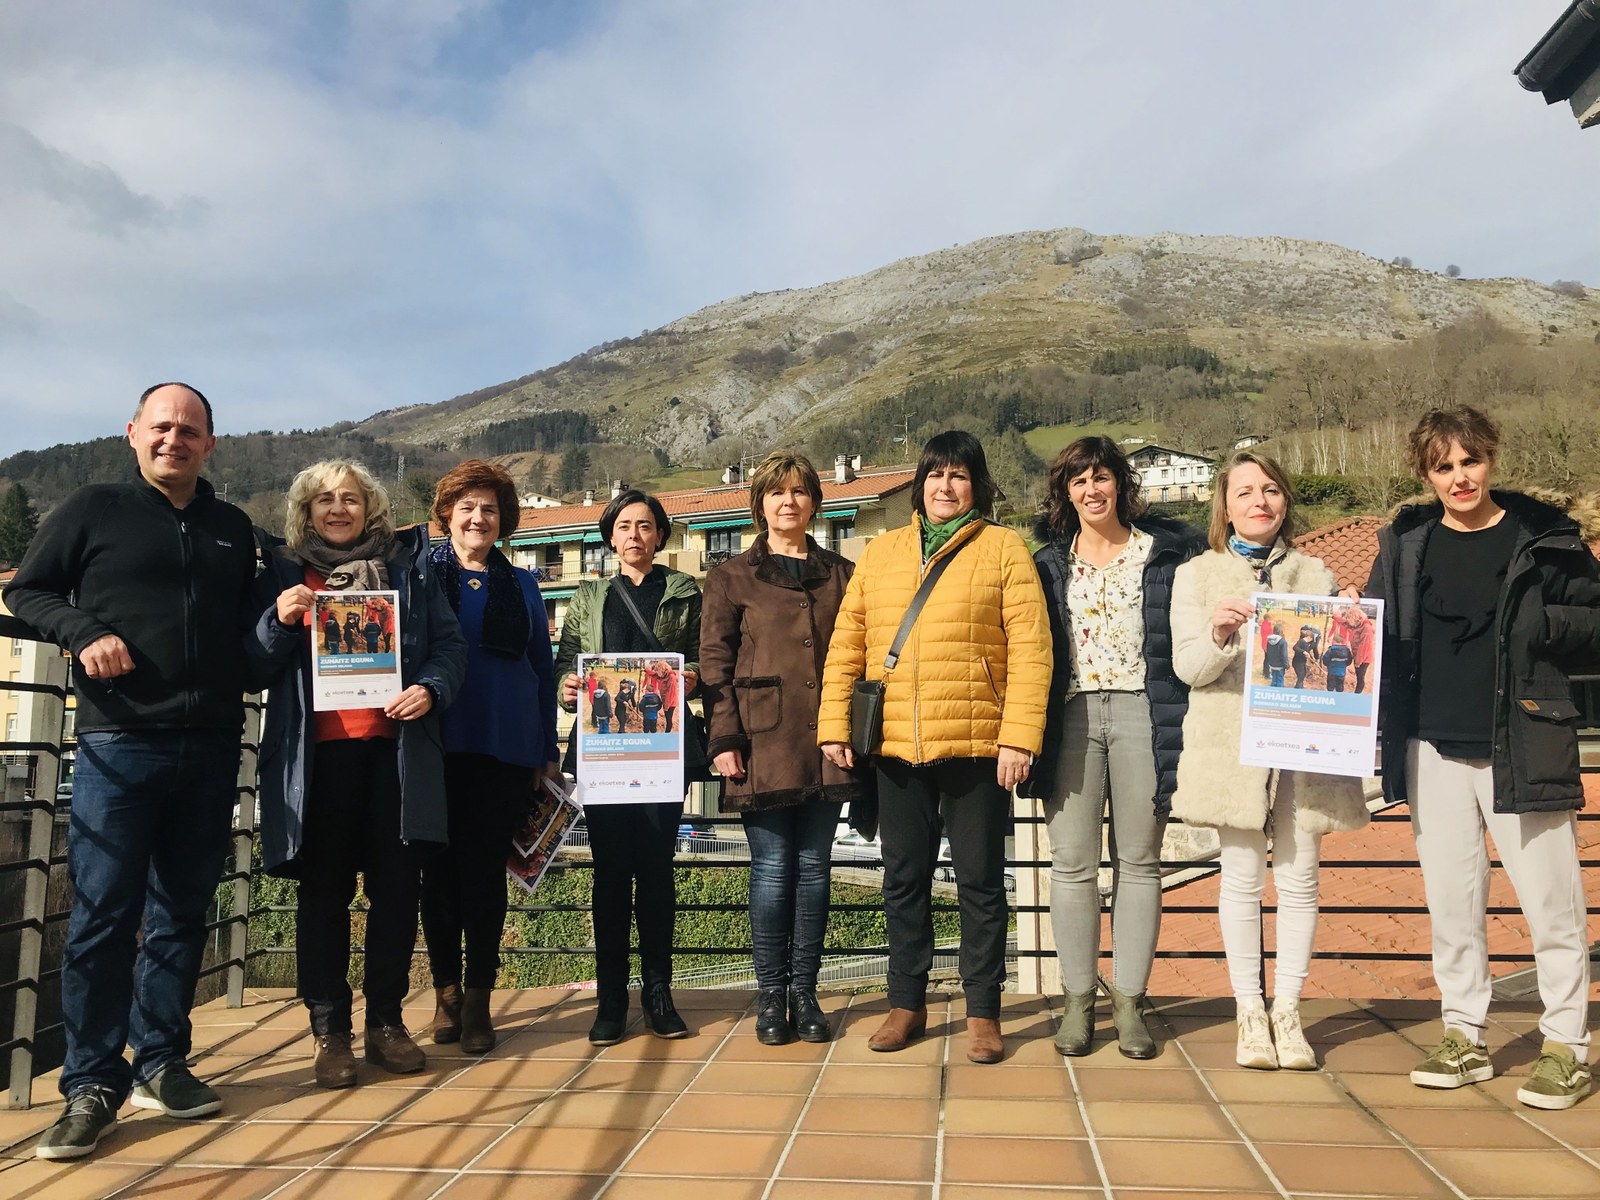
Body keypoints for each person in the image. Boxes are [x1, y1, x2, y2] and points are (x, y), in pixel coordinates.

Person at [7, 383, 258, 1162]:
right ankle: (89, 1083)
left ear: (210, 444)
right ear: (132, 434)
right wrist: (83, 634)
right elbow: (28, 592)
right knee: (102, 920)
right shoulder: (94, 509)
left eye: (189, 430)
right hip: (120, 743)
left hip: (213, 743)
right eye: (161, 427)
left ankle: (161, 1061)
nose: (173, 440)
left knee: (182, 912)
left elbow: (250, 632)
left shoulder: (230, 528)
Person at [1367, 406, 1596, 1110]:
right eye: (1443, 466)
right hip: (1429, 749)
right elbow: (1375, 633)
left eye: (1470, 460)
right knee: (1453, 907)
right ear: (1425, 473)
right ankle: (1463, 1033)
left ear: (1490, 458)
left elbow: (1596, 625)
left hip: (1522, 741)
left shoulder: (1546, 540)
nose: (1459, 476)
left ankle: (1566, 1046)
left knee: (1551, 905)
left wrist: (1540, 624)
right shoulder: (1406, 546)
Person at [819, 431, 1051, 1065]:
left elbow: (1032, 651)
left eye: (960, 476)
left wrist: (1019, 737)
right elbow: (849, 642)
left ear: (977, 487)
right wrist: (834, 726)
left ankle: (983, 1011)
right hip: (896, 744)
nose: (946, 486)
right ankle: (907, 1003)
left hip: (978, 745)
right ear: (920, 483)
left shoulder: (1004, 549)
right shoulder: (881, 552)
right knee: (903, 880)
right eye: (936, 475)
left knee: (979, 881)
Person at [251, 459, 465, 1089]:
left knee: (397, 893)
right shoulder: (282, 574)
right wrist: (278, 621)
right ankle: (329, 1031)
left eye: (350, 498)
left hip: (395, 757)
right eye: (324, 501)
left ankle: (386, 1023)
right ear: (305, 512)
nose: (338, 509)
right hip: (316, 763)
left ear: (370, 507)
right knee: (323, 896)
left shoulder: (409, 572)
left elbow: (452, 650)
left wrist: (430, 687)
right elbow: (253, 662)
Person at [1169, 451, 1368, 1072]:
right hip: (1232, 753)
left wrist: (1354, 624)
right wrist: (1222, 635)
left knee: (1302, 877)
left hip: (1301, 752)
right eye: (1246, 492)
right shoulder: (1197, 575)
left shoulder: (1317, 574)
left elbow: (1342, 670)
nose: (1260, 501)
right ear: (1224, 508)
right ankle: (1249, 1012)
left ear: (1286, 500)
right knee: (1241, 879)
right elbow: (1189, 670)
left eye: (1271, 490)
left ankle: (1289, 1010)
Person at [1019, 437, 1204, 1059]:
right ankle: (1077, 1001)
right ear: (1064, 493)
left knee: (1140, 861)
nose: (1090, 491)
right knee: (1070, 864)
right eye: (1078, 482)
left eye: (1100, 478)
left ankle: (1129, 1000)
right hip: (1069, 715)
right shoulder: (1048, 563)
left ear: (1120, 485)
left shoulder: (1170, 555)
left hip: (1143, 714)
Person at [700, 451, 870, 1046]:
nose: (788, 502)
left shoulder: (844, 574)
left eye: (799, 492)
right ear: (760, 504)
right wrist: (723, 738)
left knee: (816, 870)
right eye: (777, 493)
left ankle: (806, 992)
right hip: (759, 742)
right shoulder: (730, 578)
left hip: (829, 741)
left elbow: (861, 655)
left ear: (815, 503)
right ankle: (771, 997)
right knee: (772, 871)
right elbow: (714, 664)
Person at [421, 460, 560, 1054]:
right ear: (447, 514)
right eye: (468, 506)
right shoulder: (420, 573)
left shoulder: (523, 585)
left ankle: (479, 998)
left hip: (506, 744)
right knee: (438, 876)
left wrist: (546, 749)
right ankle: (445, 992)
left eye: (490, 509)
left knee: (484, 876)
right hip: (436, 742)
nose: (478, 517)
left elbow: (542, 668)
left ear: (503, 521)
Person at [554, 489, 702, 1045]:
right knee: (610, 874)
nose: (634, 535)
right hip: (604, 755)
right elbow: (565, 663)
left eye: (645, 526)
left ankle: (660, 996)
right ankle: (611, 1001)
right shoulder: (589, 597)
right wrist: (567, 687)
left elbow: (709, 658)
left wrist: (695, 680)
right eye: (624, 526)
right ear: (610, 537)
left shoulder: (687, 593)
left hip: (663, 753)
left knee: (658, 873)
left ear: (660, 536)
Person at [1338, 603, 1375, 694]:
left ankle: (1357, 694)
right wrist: (1335, 617)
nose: (1348, 621)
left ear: (1355, 618)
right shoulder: (1358, 624)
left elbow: (1364, 646)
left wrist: (1358, 661)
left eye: (1349, 619)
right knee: (1359, 675)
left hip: (1364, 658)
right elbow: (1345, 623)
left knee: (1360, 676)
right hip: (1358, 655)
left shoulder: (1366, 628)